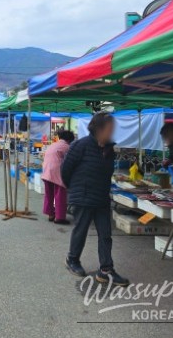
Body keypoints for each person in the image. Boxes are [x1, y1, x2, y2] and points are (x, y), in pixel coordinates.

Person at [61, 112, 129, 286]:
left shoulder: (109, 150)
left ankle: (106, 270)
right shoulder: (80, 145)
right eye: (109, 128)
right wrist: (76, 190)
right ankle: (72, 259)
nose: (112, 131)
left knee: (106, 234)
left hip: (101, 197)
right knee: (81, 230)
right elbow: (65, 170)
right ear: (98, 129)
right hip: (83, 197)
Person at [42, 130, 75, 225]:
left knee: (49, 194)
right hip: (57, 172)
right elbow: (72, 160)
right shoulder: (67, 147)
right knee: (60, 195)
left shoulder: (53, 145)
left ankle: (51, 214)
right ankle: (59, 218)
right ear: (69, 140)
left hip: (46, 171)